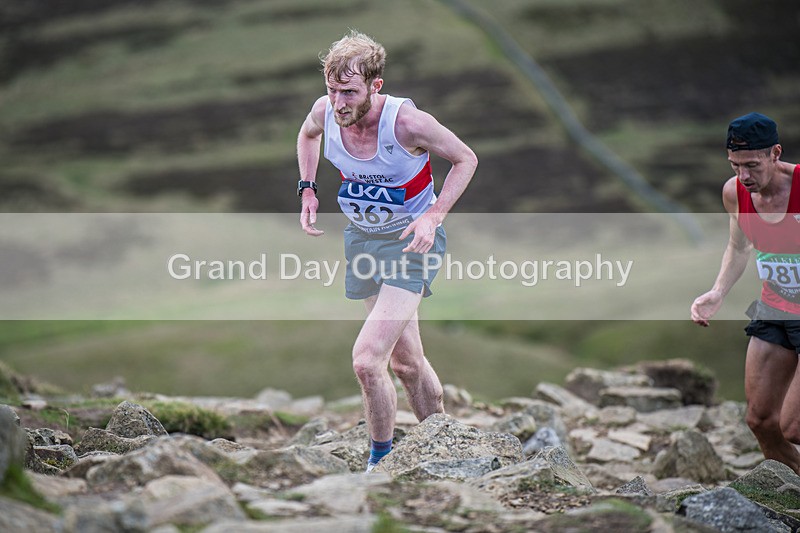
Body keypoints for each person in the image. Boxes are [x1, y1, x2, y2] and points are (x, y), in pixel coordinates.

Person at [296, 30, 477, 471]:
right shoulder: (326, 111)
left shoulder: (408, 124)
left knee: (366, 359)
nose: (339, 102)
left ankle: (380, 463)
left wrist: (433, 216)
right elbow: (307, 136)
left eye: (350, 92)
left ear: (375, 86)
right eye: (332, 89)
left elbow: (466, 159)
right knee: (407, 363)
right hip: (362, 241)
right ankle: (446, 445)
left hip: (410, 245)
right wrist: (308, 190)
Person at [691, 112, 800, 474]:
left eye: (752, 165)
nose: (744, 176)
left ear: (775, 153)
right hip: (775, 309)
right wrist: (717, 292)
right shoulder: (734, 192)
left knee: (793, 425)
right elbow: (739, 248)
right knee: (760, 421)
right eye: (736, 165)